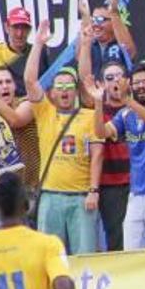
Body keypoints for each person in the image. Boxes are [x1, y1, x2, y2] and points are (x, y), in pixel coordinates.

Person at [25, 21, 103, 255]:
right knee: (50, 257)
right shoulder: (45, 111)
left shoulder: (89, 116)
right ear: (52, 92)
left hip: (81, 198)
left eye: (69, 86)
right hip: (50, 195)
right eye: (59, 86)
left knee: (86, 256)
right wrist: (38, 44)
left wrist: (94, 190)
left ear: (76, 91)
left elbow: (98, 154)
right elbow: (30, 81)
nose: (65, 90)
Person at [90, 63, 145, 249]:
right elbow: (101, 133)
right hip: (136, 195)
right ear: (130, 85)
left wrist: (127, 100)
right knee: (132, 254)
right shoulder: (125, 114)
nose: (140, 86)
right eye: (136, 82)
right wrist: (98, 102)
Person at [88, 61, 130, 251]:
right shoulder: (99, 113)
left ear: (128, 81)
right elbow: (99, 132)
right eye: (109, 78)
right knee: (117, 239)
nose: (115, 81)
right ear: (102, 84)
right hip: (110, 187)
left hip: (139, 184)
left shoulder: (138, 108)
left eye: (119, 76)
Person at [82, 0, 137, 78]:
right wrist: (85, 18)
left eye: (100, 19)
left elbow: (129, 52)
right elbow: (79, 61)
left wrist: (114, 13)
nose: (95, 24)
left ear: (112, 22)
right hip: (96, 90)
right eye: (93, 19)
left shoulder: (121, 41)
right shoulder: (90, 45)